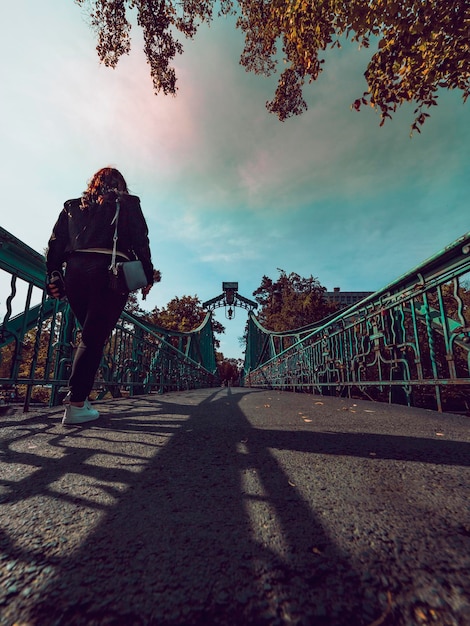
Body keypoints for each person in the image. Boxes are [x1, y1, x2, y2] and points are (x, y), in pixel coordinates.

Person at [46, 167, 154, 425]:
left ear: (93, 183)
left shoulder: (72, 206)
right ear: (122, 184)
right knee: (93, 337)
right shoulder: (128, 204)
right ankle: (76, 404)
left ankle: (78, 399)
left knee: (90, 336)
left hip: (75, 274)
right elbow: (142, 242)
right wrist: (147, 276)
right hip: (110, 275)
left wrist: (52, 273)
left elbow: (55, 245)